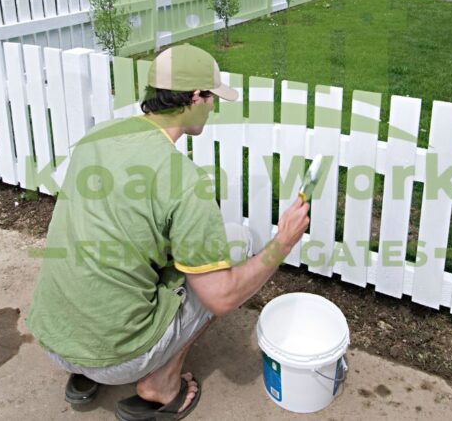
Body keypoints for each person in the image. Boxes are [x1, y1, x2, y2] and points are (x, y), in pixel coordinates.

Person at [27, 43, 311, 420]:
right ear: (195, 97)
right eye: (212, 97)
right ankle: (160, 382)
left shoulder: (101, 136)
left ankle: (82, 369)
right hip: (118, 358)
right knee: (238, 243)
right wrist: (283, 242)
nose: (214, 106)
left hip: (53, 337)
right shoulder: (184, 182)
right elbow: (222, 298)